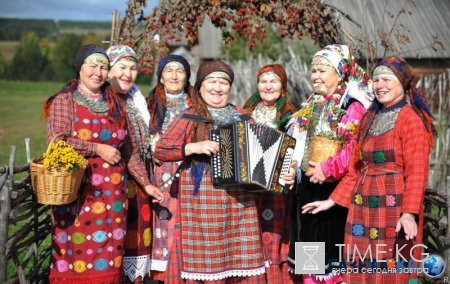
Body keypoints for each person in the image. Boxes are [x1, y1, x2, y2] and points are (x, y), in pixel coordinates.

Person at [155, 60, 295, 283]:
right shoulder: (188, 116)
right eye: (212, 82)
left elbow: (265, 159)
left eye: (223, 83)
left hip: (241, 206)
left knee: (242, 263)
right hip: (201, 205)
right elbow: (162, 149)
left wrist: (284, 173)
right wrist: (193, 147)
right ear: (200, 87)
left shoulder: (243, 117)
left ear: (230, 88)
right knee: (204, 262)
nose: (217, 88)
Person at [302, 56, 436, 284]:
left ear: (402, 82)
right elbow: (356, 167)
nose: (380, 85)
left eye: (386, 79)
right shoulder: (369, 118)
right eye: (376, 80)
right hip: (362, 207)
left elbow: (417, 172)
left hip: (395, 208)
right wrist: (332, 201)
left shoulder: (410, 120)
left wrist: (409, 213)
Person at [43, 44, 163, 284]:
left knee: (110, 256)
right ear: (80, 69)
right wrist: (97, 149)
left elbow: (128, 150)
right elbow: (58, 141)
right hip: (79, 194)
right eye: (92, 66)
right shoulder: (64, 101)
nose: (97, 72)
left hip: (113, 197)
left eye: (102, 67)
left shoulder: (114, 103)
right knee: (77, 255)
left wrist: (146, 185)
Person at [287, 44, 373, 284]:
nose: (315, 76)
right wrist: (293, 166)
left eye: (322, 70)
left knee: (332, 259)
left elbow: (354, 150)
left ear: (340, 73)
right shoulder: (311, 105)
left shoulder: (353, 107)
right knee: (310, 259)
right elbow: (298, 143)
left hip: (335, 191)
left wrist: (327, 169)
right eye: (313, 70)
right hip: (308, 189)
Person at [106, 44, 164, 283]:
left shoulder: (137, 100)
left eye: (132, 68)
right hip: (111, 182)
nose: (127, 73)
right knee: (111, 244)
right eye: (121, 67)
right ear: (108, 70)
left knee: (136, 241)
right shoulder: (104, 100)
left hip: (138, 181)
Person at [243, 64, 298, 284]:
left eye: (273, 81)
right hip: (250, 188)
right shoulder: (245, 114)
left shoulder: (293, 116)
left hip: (279, 189)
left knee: (277, 239)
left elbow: (299, 150)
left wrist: (292, 168)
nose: (268, 86)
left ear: (282, 86)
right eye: (263, 81)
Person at [145, 54, 194, 281]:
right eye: (169, 70)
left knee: (186, 223)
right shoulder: (149, 104)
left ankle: (186, 272)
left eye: (180, 71)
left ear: (187, 77)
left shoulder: (197, 104)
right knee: (162, 223)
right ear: (161, 76)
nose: (174, 76)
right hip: (159, 172)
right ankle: (162, 275)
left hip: (190, 171)